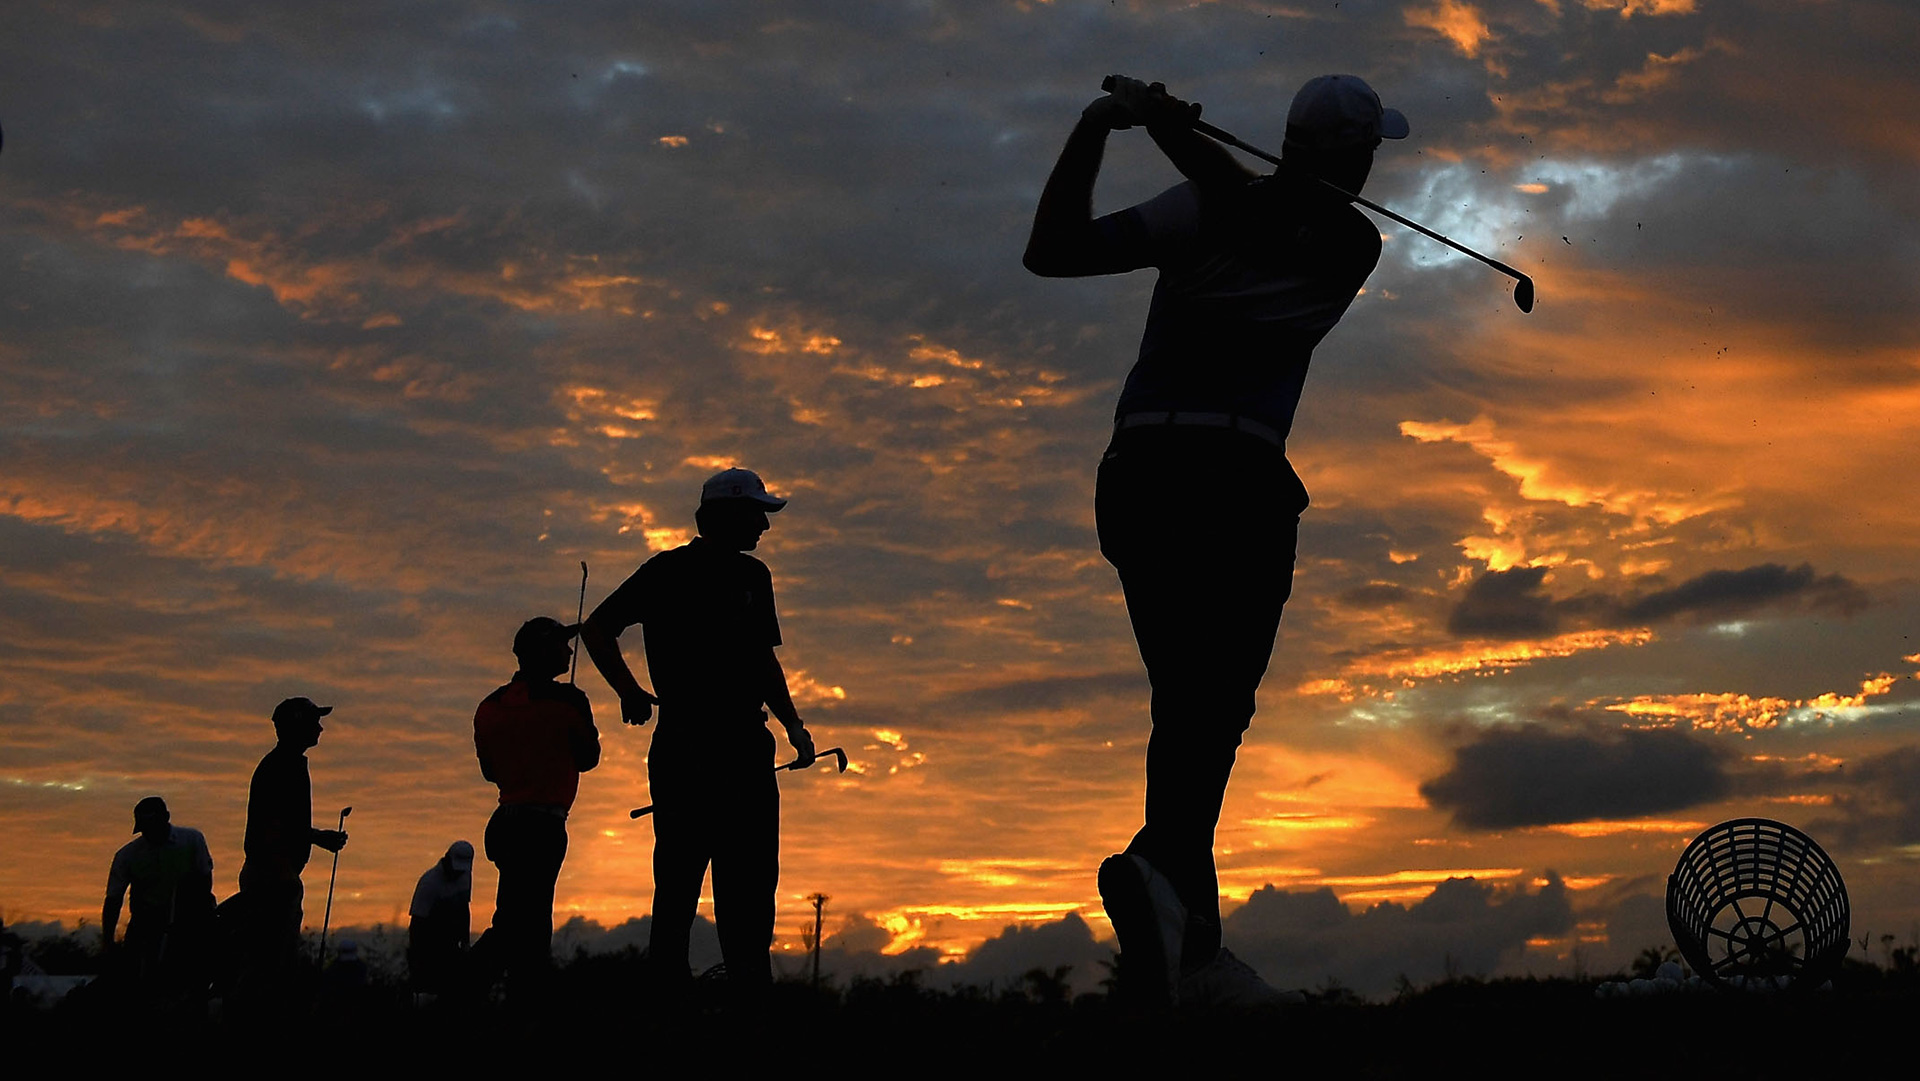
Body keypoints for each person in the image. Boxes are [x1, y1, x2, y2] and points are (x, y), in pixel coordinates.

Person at [1025, 74, 1407, 1006]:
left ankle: (1190, 941)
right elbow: (1053, 253)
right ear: (1356, 158)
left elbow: (1243, 210)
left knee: (1190, 705)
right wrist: (1116, 127)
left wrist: (1125, 128)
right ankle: (1164, 876)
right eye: (1367, 152)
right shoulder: (1325, 231)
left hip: (1138, 478)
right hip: (1229, 481)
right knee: (1209, 706)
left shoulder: (1321, 237)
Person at [581, 467, 816, 997]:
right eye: (756, 514)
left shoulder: (755, 577)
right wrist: (628, 690)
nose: (764, 527)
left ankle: (747, 997)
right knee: (680, 882)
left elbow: (763, 661)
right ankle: (672, 1001)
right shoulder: (666, 570)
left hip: (744, 745)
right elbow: (597, 628)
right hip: (687, 744)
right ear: (726, 515)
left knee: (749, 884)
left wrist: (793, 725)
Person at [472, 617, 599, 995]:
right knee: (527, 923)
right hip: (542, 827)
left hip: (505, 823)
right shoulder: (570, 701)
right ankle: (464, 985)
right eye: (562, 644)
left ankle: (509, 996)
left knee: (517, 917)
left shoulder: (488, 706)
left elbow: (489, 772)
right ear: (543, 652)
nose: (570, 651)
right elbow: (589, 758)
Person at [235, 696, 349, 997]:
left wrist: (316, 837)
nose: (320, 729)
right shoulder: (281, 767)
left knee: (270, 962)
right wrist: (286, 873)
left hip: (273, 875)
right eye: (314, 722)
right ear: (297, 726)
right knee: (269, 964)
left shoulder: (285, 764)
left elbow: (283, 823)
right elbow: (272, 827)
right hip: (273, 878)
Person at [103, 795, 215, 993]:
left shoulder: (192, 840)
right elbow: (113, 899)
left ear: (166, 818)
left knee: (191, 975)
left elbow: (204, 881)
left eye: (154, 827)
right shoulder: (127, 856)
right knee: (135, 979)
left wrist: (193, 915)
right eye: (146, 829)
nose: (151, 834)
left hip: (188, 917)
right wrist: (108, 942)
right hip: (146, 921)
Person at [407, 840, 474, 995]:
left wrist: (465, 942)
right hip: (428, 947)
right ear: (447, 859)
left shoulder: (465, 876)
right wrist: (417, 959)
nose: (457, 873)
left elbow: (464, 909)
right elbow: (417, 924)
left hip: (451, 947)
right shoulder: (429, 884)